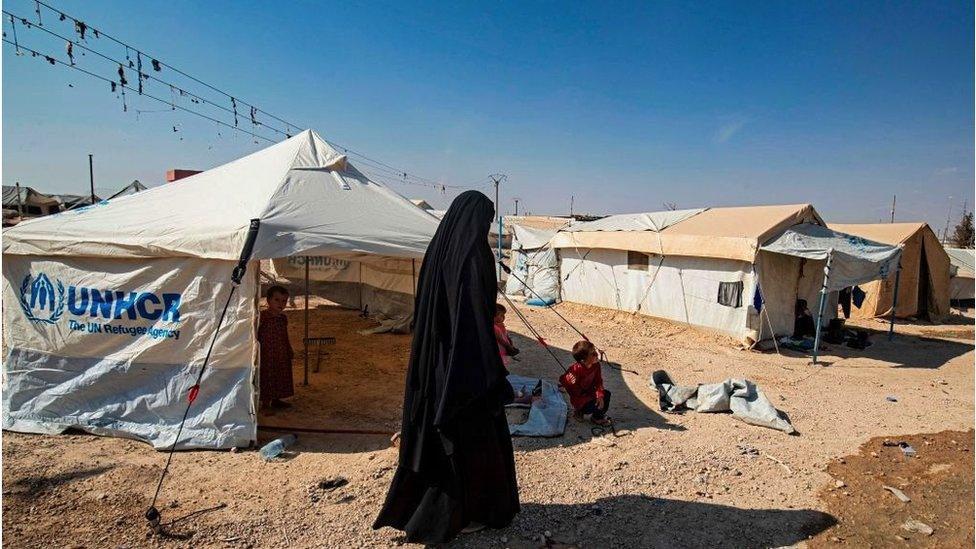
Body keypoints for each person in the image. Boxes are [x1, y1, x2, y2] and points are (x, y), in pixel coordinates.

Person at [373, 191, 519, 544]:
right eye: (487, 218)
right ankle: (468, 511)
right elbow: (470, 322)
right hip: (464, 371)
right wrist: (490, 373)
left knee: (444, 439)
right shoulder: (473, 255)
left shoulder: (440, 251)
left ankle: (435, 511)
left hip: (437, 364)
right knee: (472, 441)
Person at [257, 285, 295, 411]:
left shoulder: (283, 318)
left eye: (284, 301)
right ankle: (266, 404)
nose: (281, 304)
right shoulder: (262, 317)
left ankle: (276, 399)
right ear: (268, 301)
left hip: (281, 352)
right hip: (266, 353)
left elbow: (285, 334)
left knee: (280, 375)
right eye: (277, 300)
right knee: (267, 376)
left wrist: (289, 349)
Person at [559, 340, 611, 426]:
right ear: (583, 360)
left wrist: (600, 395)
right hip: (580, 400)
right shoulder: (575, 369)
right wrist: (568, 381)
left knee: (606, 395)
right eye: (593, 354)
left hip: (591, 393)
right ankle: (579, 411)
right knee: (592, 405)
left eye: (595, 351)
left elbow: (598, 381)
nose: (597, 354)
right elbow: (562, 379)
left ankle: (597, 417)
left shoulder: (596, 365)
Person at [494, 303, 520, 370]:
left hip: (503, 348)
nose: (503, 317)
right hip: (500, 350)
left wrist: (509, 340)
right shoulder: (494, 328)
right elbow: (501, 340)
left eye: (504, 315)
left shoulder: (500, 325)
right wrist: (509, 347)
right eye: (501, 315)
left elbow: (505, 335)